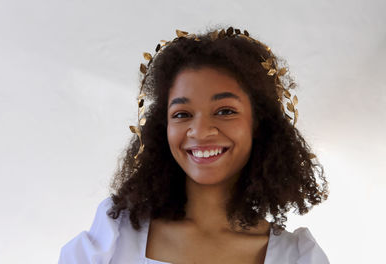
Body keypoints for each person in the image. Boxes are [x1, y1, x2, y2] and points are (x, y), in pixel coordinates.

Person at [59, 27, 330, 264]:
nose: (200, 132)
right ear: (162, 128)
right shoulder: (115, 237)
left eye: (225, 111)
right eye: (182, 114)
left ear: (259, 124)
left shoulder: (296, 257)